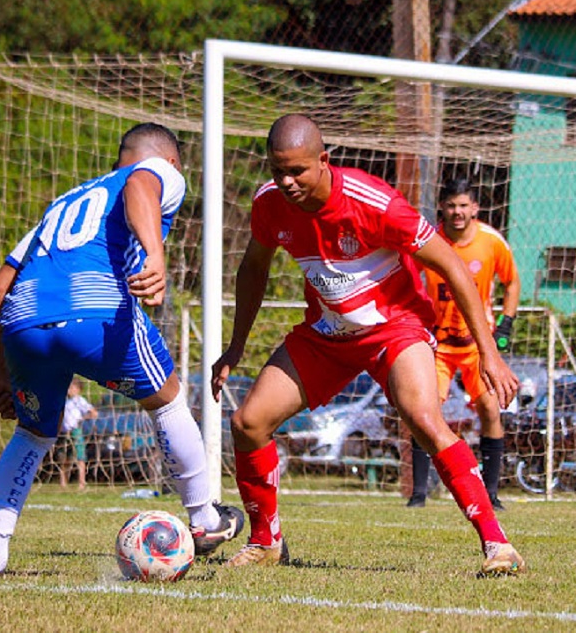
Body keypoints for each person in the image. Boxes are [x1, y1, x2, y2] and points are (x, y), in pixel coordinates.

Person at [211, 114, 525, 576]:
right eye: (277, 170)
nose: (287, 181)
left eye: (297, 170)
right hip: (326, 335)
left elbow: (453, 268)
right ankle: (266, 542)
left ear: (324, 160)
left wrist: (490, 353)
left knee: (422, 418)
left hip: (395, 328)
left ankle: (498, 546)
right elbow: (253, 268)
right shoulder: (270, 203)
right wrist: (235, 346)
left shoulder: (375, 203)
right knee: (247, 423)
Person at [0, 123, 244, 577]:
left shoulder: (61, 205)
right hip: (93, 310)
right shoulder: (157, 172)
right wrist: (155, 255)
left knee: (34, 434)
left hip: (24, 322)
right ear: (169, 163)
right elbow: (140, 182)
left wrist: (1, 376)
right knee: (168, 398)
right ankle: (205, 521)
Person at [408, 178, 521, 510]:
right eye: (451, 206)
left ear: (475, 208)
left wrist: (507, 325)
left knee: (489, 409)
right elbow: (407, 275)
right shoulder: (428, 241)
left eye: (463, 206)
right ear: (442, 207)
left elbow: (512, 282)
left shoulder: (490, 242)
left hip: (477, 345)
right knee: (424, 411)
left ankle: (492, 493)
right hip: (436, 344)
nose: (457, 212)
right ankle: (419, 494)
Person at [56, 378, 97, 490]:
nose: (69, 390)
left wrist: (81, 418)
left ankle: (82, 482)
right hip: (64, 432)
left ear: (78, 389)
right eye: (68, 387)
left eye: (72, 387)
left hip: (75, 431)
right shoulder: (64, 401)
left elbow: (94, 413)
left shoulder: (79, 401)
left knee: (80, 457)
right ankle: (63, 482)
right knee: (64, 458)